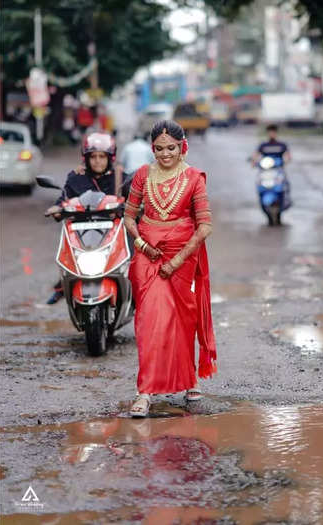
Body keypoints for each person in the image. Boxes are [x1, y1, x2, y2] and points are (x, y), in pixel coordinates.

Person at [123, 120, 216, 417]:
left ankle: (189, 379)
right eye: (160, 148)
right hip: (147, 256)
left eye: (171, 148)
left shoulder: (193, 178)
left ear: (182, 146)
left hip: (182, 257)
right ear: (152, 148)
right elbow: (128, 218)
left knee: (183, 320)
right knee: (148, 321)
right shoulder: (141, 175)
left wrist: (176, 261)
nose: (165, 154)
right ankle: (145, 392)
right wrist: (142, 245)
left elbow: (204, 227)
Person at [45, 132, 128, 304]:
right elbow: (64, 198)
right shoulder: (76, 178)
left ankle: (137, 294)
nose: (98, 161)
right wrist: (57, 208)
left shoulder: (120, 177)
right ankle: (63, 285)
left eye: (102, 156)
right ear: (86, 158)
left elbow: (135, 196)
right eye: (93, 156)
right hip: (82, 230)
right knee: (68, 257)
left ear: (109, 158)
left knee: (135, 261)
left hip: (113, 230)